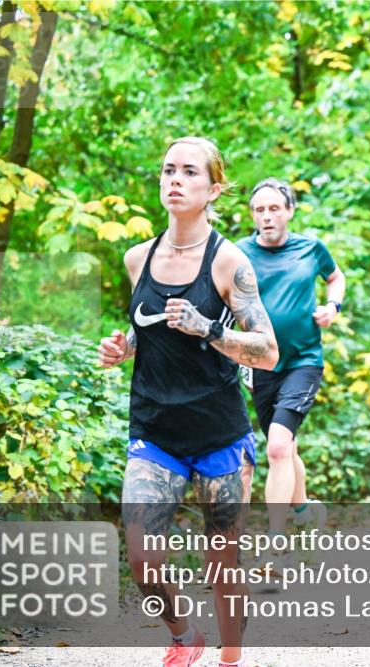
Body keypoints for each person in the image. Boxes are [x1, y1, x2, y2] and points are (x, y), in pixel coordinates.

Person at [98, 137, 279, 667]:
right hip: (155, 431)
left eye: (189, 172)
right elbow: (150, 327)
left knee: (221, 562)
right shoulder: (138, 258)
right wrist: (125, 347)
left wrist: (208, 328)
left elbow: (268, 351)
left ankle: (232, 657)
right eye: (168, 170)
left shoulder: (229, 263)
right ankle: (184, 634)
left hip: (219, 434)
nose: (175, 179)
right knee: (141, 556)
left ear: (214, 189)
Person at [235, 178, 345, 539]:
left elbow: (335, 277)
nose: (266, 216)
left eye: (274, 208)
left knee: (278, 447)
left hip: (303, 361)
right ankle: (303, 510)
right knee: (286, 446)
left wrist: (333, 306)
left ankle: (275, 539)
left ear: (290, 211)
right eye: (259, 210)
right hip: (259, 363)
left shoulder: (311, 248)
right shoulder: (237, 253)